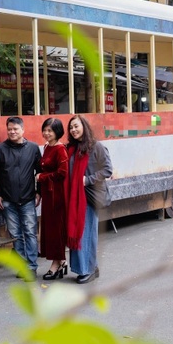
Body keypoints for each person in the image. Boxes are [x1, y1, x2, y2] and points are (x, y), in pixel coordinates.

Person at [0, 116, 42, 279]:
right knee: (15, 234)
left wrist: (39, 191)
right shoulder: (0, 149)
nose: (12, 132)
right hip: (7, 200)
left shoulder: (33, 148)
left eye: (15, 129)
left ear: (23, 130)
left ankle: (32, 267)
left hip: (27, 199)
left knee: (30, 233)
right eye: (10, 129)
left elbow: (39, 172)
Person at [67, 114, 113, 284]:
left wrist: (88, 179)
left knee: (86, 234)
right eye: (71, 127)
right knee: (79, 233)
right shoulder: (71, 149)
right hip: (74, 198)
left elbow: (108, 170)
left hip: (89, 196)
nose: (74, 130)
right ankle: (88, 267)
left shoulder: (96, 147)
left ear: (84, 127)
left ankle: (89, 270)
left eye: (76, 126)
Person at [35, 118, 69, 280]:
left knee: (56, 230)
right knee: (49, 229)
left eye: (50, 130)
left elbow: (62, 173)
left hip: (57, 195)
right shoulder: (47, 147)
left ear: (58, 132)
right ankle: (61, 261)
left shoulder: (60, 149)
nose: (47, 133)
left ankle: (56, 264)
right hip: (48, 194)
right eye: (45, 130)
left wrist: (42, 177)